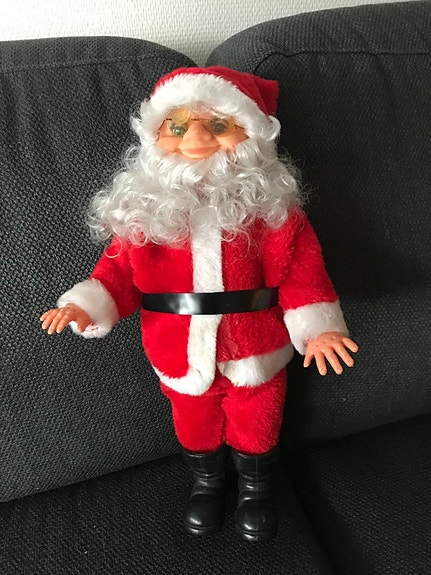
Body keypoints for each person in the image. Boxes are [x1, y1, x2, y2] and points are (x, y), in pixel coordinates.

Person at [41, 66, 358, 542]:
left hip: (258, 349)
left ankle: (255, 488)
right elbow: (116, 275)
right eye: (177, 126)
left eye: (218, 125)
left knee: (259, 420)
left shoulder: (273, 213)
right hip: (176, 351)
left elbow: (302, 272)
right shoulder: (144, 214)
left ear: (251, 136)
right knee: (193, 422)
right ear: (154, 138)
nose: (196, 138)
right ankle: (207, 482)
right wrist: (86, 305)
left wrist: (319, 329)